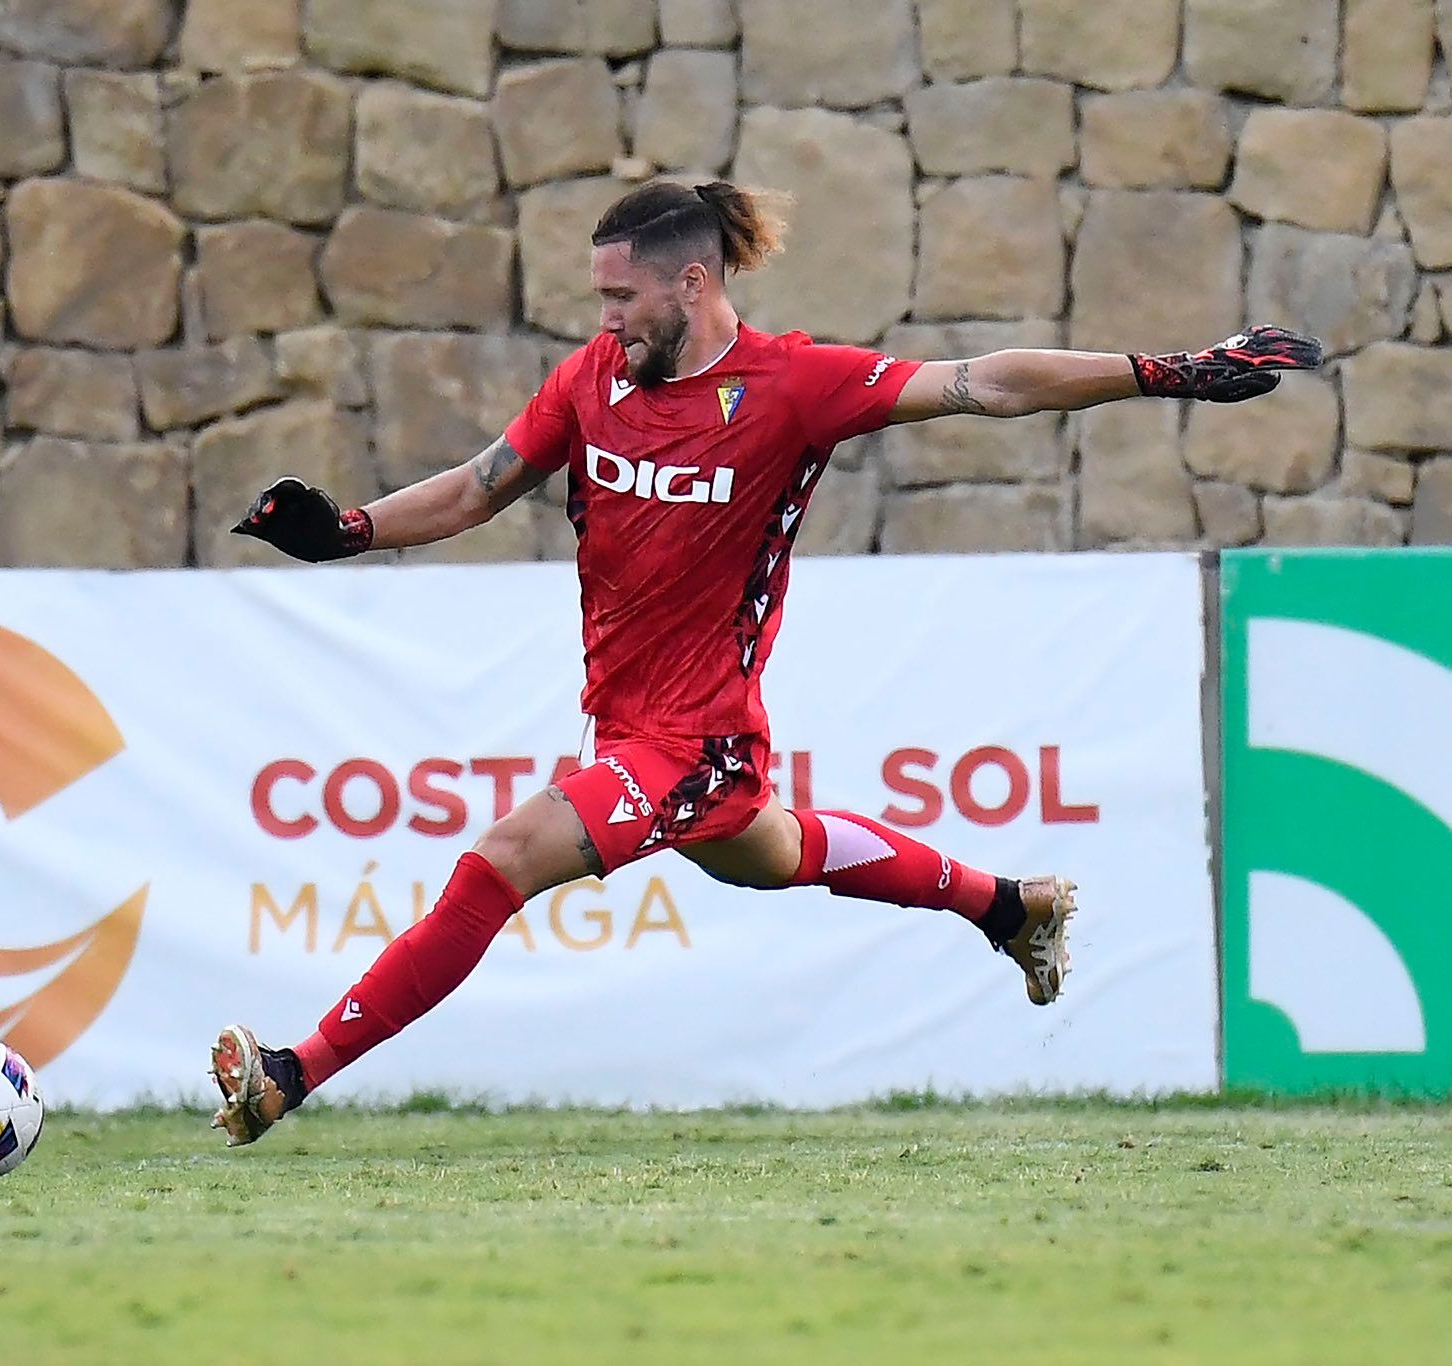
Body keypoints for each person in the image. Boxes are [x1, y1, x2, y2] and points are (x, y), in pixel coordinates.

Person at [209, 180, 1322, 1144]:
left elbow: (983, 383)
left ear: (690, 284)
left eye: (620, 297)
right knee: (778, 852)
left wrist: (1166, 372)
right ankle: (1007, 907)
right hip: (634, 728)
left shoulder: (791, 386)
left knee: (498, 862)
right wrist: (348, 531)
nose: (603, 318)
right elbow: (473, 488)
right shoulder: (592, 381)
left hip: (695, 741)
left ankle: (289, 1076)